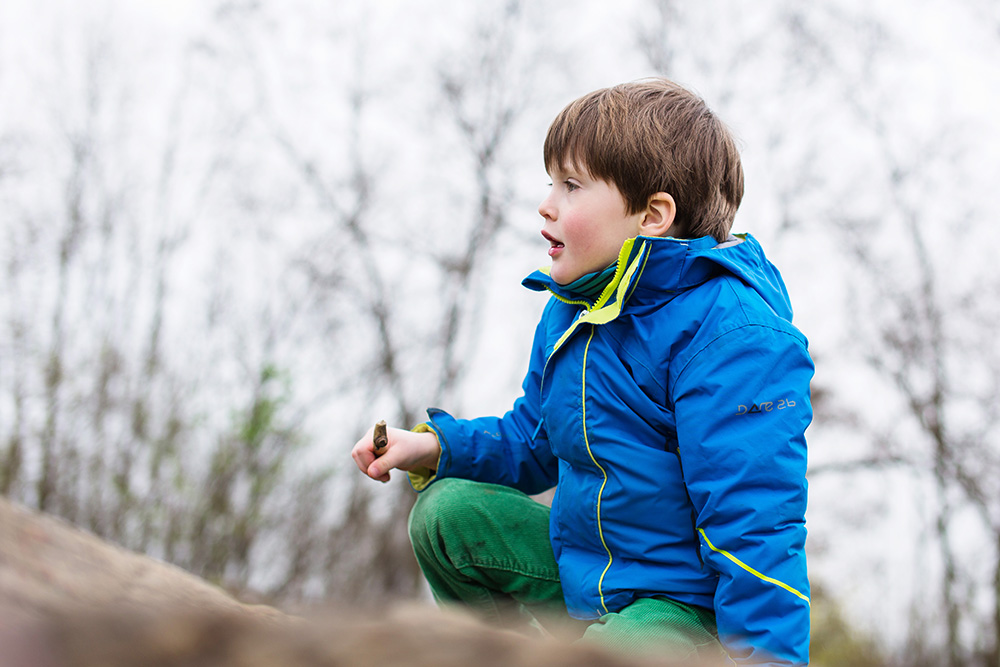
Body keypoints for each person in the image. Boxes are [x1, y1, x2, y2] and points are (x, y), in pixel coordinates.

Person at [351, 77, 813, 666]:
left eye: (571, 186)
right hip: (585, 584)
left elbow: (755, 525)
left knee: (626, 641)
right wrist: (433, 448)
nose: (546, 203)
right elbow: (534, 441)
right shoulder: (572, 310)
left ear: (652, 214)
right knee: (447, 517)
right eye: (551, 182)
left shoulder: (731, 335)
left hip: (680, 613)